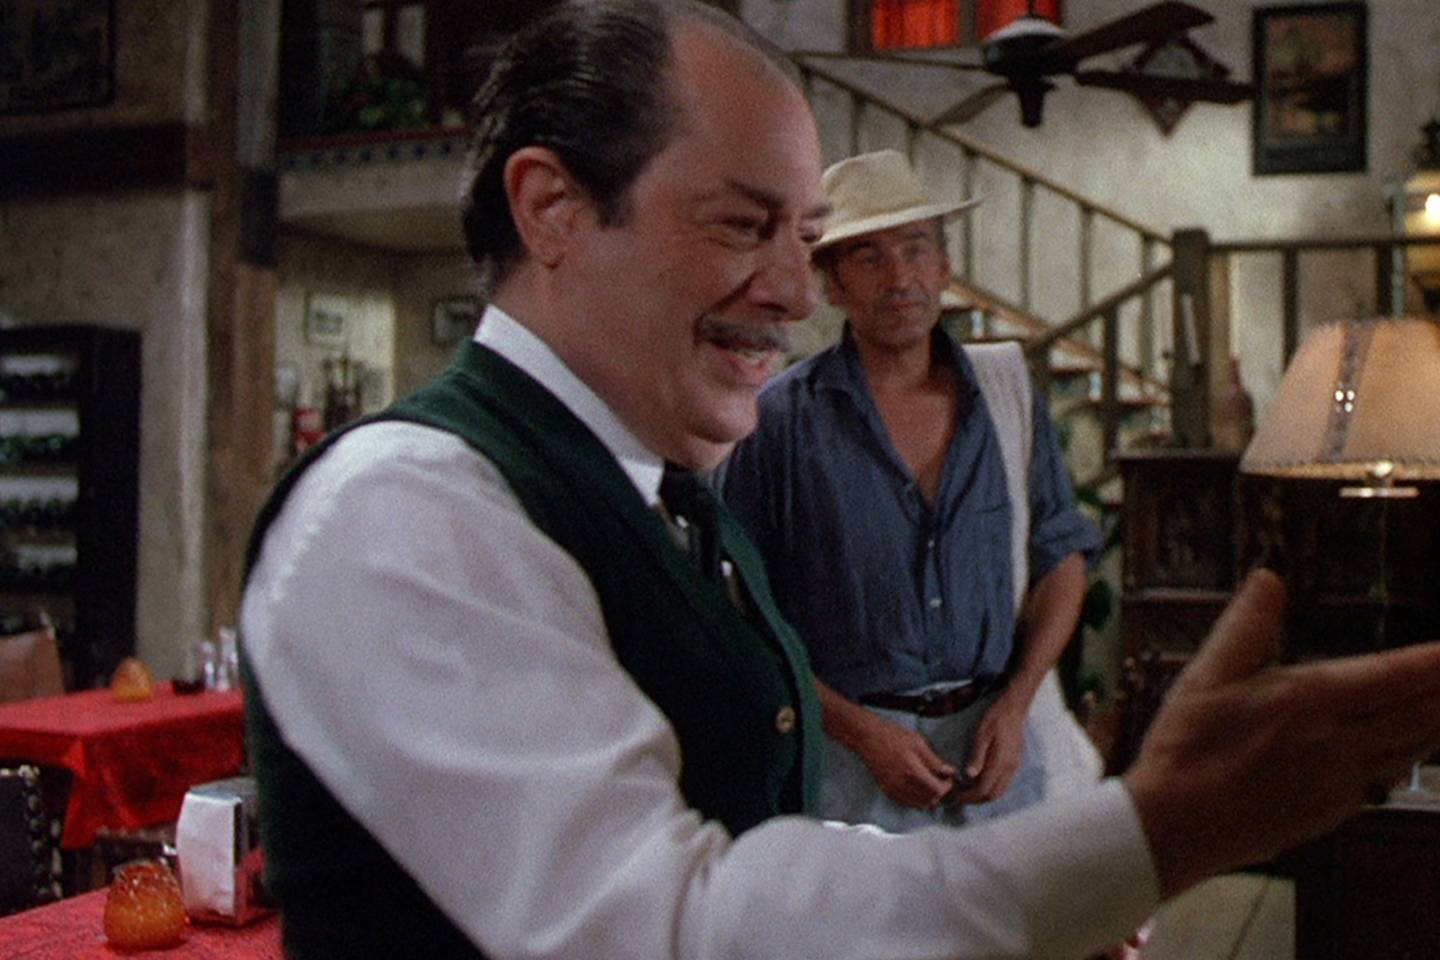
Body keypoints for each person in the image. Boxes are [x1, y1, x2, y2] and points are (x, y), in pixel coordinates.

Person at [238, 2, 1440, 958]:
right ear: (552, 208)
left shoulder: (674, 496)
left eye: (805, 239)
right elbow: (678, 924)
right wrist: (1158, 832)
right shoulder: (403, 507)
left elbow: (770, 839)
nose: (794, 293)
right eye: (742, 226)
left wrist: (1052, 888)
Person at [719, 148, 1101, 832]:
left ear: (945, 267)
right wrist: (862, 733)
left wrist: (1016, 704)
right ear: (832, 284)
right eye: (868, 257)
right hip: (851, 770)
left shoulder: (1006, 395)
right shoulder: (777, 422)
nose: (899, 277)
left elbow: (1061, 559)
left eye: (916, 250)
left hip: (1000, 758)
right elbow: (745, 619)